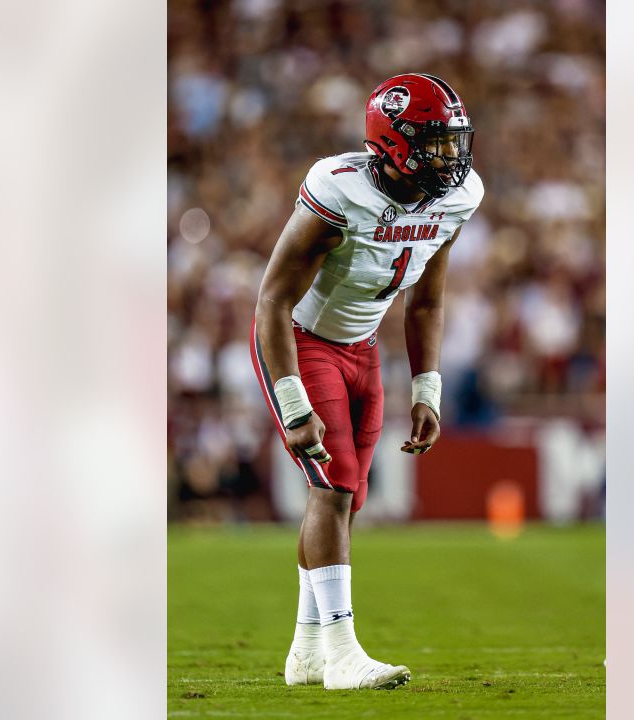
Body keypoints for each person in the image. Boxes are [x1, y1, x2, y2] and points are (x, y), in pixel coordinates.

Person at [250, 73, 483, 690]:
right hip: (302, 341)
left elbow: (428, 302)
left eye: (454, 142)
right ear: (395, 140)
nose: (450, 157)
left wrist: (427, 389)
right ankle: (344, 653)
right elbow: (271, 301)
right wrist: (293, 400)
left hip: (362, 347)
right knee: (332, 491)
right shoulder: (339, 190)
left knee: (347, 495)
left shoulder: (456, 199)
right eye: (435, 143)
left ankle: (306, 650)